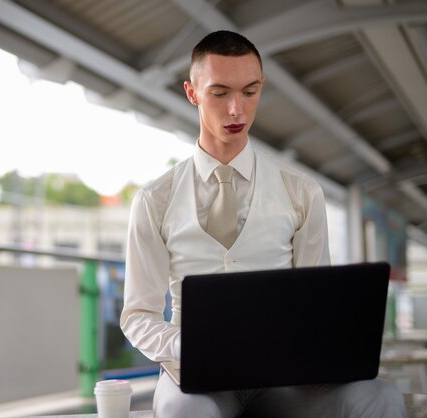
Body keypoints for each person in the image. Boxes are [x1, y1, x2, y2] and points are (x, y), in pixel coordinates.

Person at [119, 30, 405, 418]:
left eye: (249, 92)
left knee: (380, 398)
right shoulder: (155, 200)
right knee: (186, 412)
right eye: (220, 93)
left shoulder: (302, 192)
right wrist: (189, 345)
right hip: (194, 377)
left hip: (285, 377)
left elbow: (316, 305)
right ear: (192, 93)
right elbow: (138, 316)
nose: (237, 109)